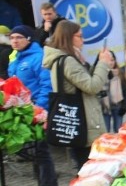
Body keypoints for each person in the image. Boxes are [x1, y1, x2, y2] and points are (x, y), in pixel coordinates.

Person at [42, 20, 112, 170]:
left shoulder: (68, 59)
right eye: (79, 36)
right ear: (68, 37)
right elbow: (92, 86)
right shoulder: (68, 61)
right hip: (84, 125)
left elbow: (84, 83)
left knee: (87, 170)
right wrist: (103, 63)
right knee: (90, 172)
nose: (83, 40)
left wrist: (95, 64)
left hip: (80, 123)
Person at [7, 25, 61, 186]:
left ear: (28, 39)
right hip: (24, 111)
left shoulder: (38, 57)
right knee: (36, 153)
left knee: (41, 152)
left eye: (18, 37)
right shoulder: (15, 58)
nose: (14, 41)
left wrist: (40, 108)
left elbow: (46, 84)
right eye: (12, 37)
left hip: (37, 112)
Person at [94, 50, 126, 132]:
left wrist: (125, 106)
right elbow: (97, 91)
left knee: (119, 130)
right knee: (105, 131)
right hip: (105, 108)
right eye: (108, 60)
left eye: (112, 60)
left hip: (118, 106)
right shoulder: (99, 74)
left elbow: (125, 91)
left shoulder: (120, 73)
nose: (111, 62)